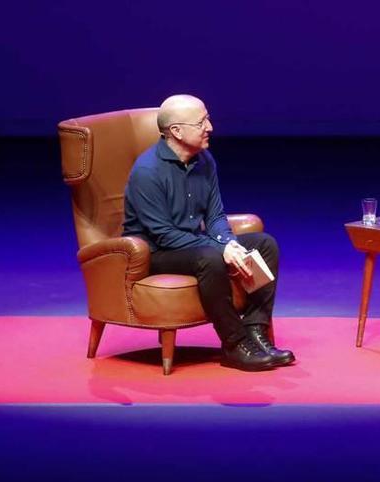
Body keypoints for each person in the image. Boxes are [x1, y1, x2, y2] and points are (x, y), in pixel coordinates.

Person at [123, 94, 295, 372]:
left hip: (194, 244)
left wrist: (228, 242)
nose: (210, 127)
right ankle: (234, 344)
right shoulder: (147, 172)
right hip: (155, 252)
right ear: (176, 131)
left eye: (208, 118)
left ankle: (255, 332)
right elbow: (164, 234)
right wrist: (220, 249)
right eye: (201, 121)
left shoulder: (205, 161)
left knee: (264, 245)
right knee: (211, 258)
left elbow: (214, 216)